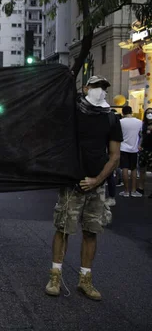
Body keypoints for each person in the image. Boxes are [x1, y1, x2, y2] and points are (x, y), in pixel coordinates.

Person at [45, 76, 122, 301]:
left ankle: (85, 280)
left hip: (96, 186)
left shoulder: (110, 118)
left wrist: (97, 181)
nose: (101, 91)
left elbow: (115, 156)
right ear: (86, 88)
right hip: (72, 183)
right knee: (63, 229)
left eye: (104, 88)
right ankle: (55, 277)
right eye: (96, 86)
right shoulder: (73, 113)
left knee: (91, 232)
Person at [118, 106, 142, 198]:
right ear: (131, 112)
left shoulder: (120, 122)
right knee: (134, 169)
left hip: (123, 148)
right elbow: (141, 135)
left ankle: (126, 191)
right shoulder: (139, 122)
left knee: (124, 168)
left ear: (123, 113)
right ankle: (134, 190)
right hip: (134, 148)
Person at [138, 107, 152, 198]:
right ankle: (141, 188)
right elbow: (141, 136)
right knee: (142, 169)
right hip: (144, 150)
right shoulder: (143, 125)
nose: (149, 114)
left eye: (151, 112)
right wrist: (140, 144)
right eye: (148, 113)